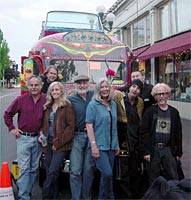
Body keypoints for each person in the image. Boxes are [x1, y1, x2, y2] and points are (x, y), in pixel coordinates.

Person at [4, 75, 46, 200]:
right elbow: (8, 114)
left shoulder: (46, 99)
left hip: (38, 139)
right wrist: (12, 128)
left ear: (41, 86)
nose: (34, 87)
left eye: (36, 85)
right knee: (24, 168)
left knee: (33, 169)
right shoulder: (20, 100)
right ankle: (24, 196)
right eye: (31, 85)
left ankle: (26, 191)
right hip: (24, 138)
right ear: (28, 86)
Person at [140, 83, 183, 185]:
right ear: (155, 96)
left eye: (164, 93)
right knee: (154, 179)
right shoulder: (150, 111)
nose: (161, 96)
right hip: (154, 150)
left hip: (169, 149)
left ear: (168, 95)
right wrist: (146, 152)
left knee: (173, 177)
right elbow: (143, 132)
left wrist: (178, 152)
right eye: (159, 94)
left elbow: (178, 133)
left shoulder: (174, 112)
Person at [39, 81, 75, 199]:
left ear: (61, 91)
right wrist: (41, 134)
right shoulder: (47, 106)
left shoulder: (67, 105)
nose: (55, 92)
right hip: (47, 142)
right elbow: (43, 124)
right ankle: (54, 196)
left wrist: (58, 143)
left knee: (53, 171)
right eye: (53, 90)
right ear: (50, 92)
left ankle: (45, 195)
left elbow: (70, 127)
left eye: (57, 89)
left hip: (61, 144)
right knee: (50, 170)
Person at [86, 78, 119, 200]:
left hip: (111, 146)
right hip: (99, 146)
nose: (104, 89)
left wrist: (117, 144)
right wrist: (93, 145)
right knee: (107, 174)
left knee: (105, 178)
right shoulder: (93, 104)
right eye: (102, 87)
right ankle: (110, 197)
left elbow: (114, 125)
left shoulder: (113, 104)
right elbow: (89, 126)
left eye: (106, 87)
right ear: (98, 89)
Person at [113, 79, 144, 199]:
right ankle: (124, 196)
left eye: (139, 89)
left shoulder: (140, 102)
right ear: (130, 87)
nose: (135, 90)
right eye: (134, 87)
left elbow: (139, 119)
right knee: (122, 169)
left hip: (135, 139)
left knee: (135, 168)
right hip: (123, 138)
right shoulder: (118, 98)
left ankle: (134, 194)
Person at [68, 75, 95, 200]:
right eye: (79, 83)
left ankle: (86, 197)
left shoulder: (94, 96)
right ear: (75, 85)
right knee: (75, 170)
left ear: (88, 84)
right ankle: (76, 197)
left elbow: (112, 93)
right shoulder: (70, 99)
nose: (82, 85)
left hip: (92, 137)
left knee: (89, 170)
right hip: (77, 136)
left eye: (84, 83)